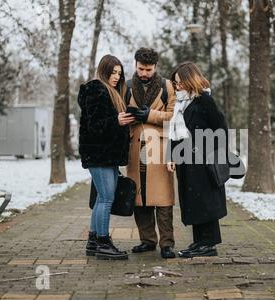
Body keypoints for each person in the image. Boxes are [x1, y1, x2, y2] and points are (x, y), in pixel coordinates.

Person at [167, 62, 228, 258]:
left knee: (205, 201)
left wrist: (206, 149)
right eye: (175, 83)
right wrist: (173, 156)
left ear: (189, 80)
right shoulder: (181, 103)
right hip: (187, 160)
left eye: (180, 83)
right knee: (193, 200)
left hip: (203, 161)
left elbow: (220, 127)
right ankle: (199, 241)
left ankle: (209, 244)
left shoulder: (203, 100)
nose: (177, 87)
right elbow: (177, 134)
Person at [78, 54, 135, 260]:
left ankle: (93, 241)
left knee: (102, 198)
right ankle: (103, 242)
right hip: (98, 155)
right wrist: (116, 120)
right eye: (113, 72)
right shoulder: (96, 89)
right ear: (104, 71)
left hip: (107, 155)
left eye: (119, 74)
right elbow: (94, 126)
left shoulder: (112, 92)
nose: (116, 77)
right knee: (106, 198)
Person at [125, 48, 177, 259]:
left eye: (148, 69)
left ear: (155, 67)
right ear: (135, 65)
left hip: (160, 148)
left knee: (163, 199)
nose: (144, 73)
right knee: (139, 197)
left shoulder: (167, 86)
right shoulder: (127, 86)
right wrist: (131, 118)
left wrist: (149, 114)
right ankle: (147, 241)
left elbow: (174, 117)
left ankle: (167, 244)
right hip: (135, 148)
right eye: (140, 68)